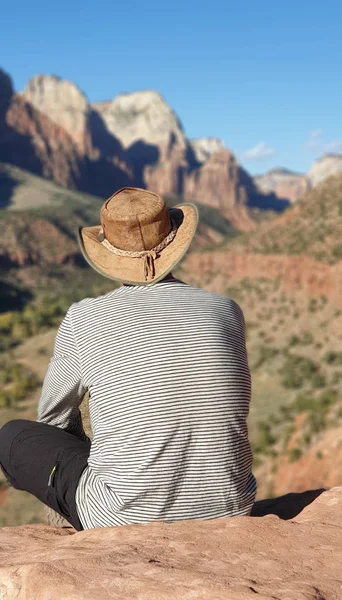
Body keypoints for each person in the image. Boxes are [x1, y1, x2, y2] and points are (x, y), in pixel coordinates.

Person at [0, 187, 256, 530]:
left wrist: (98, 457)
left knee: (13, 436)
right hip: (232, 507)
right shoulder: (225, 309)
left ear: (109, 254)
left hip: (123, 519)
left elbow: (53, 419)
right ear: (176, 239)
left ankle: (77, 515)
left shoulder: (83, 318)